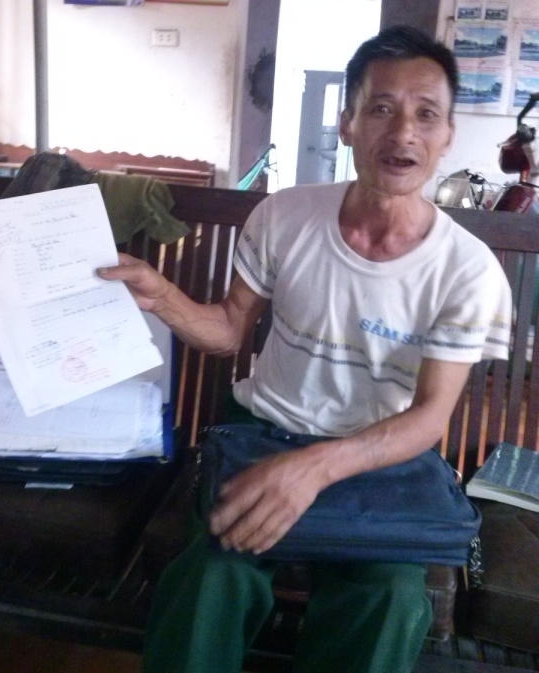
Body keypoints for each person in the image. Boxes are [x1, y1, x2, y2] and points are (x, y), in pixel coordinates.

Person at [98, 25, 512, 673]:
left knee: (389, 599)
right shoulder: (285, 216)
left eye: (426, 114)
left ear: (448, 135)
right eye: (381, 108)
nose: (403, 132)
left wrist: (314, 468)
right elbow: (229, 329)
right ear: (347, 123)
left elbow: (430, 417)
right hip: (261, 435)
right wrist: (163, 296)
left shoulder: (467, 269)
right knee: (211, 578)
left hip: (378, 459)